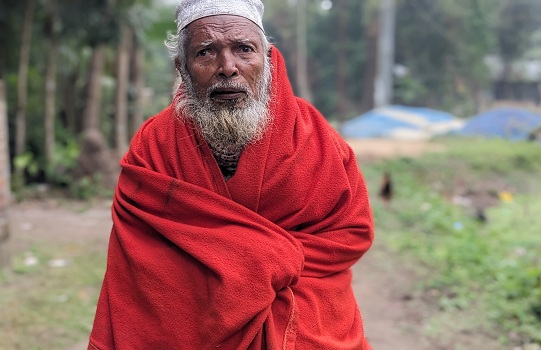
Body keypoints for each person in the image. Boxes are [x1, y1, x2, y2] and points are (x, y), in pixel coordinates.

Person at [87, 0, 374, 349]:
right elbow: (146, 269)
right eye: (206, 52)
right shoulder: (154, 148)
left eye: (244, 49)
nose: (228, 68)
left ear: (267, 59)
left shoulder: (316, 138)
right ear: (183, 67)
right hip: (189, 327)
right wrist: (264, 260)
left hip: (306, 320)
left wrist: (264, 264)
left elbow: (350, 233)